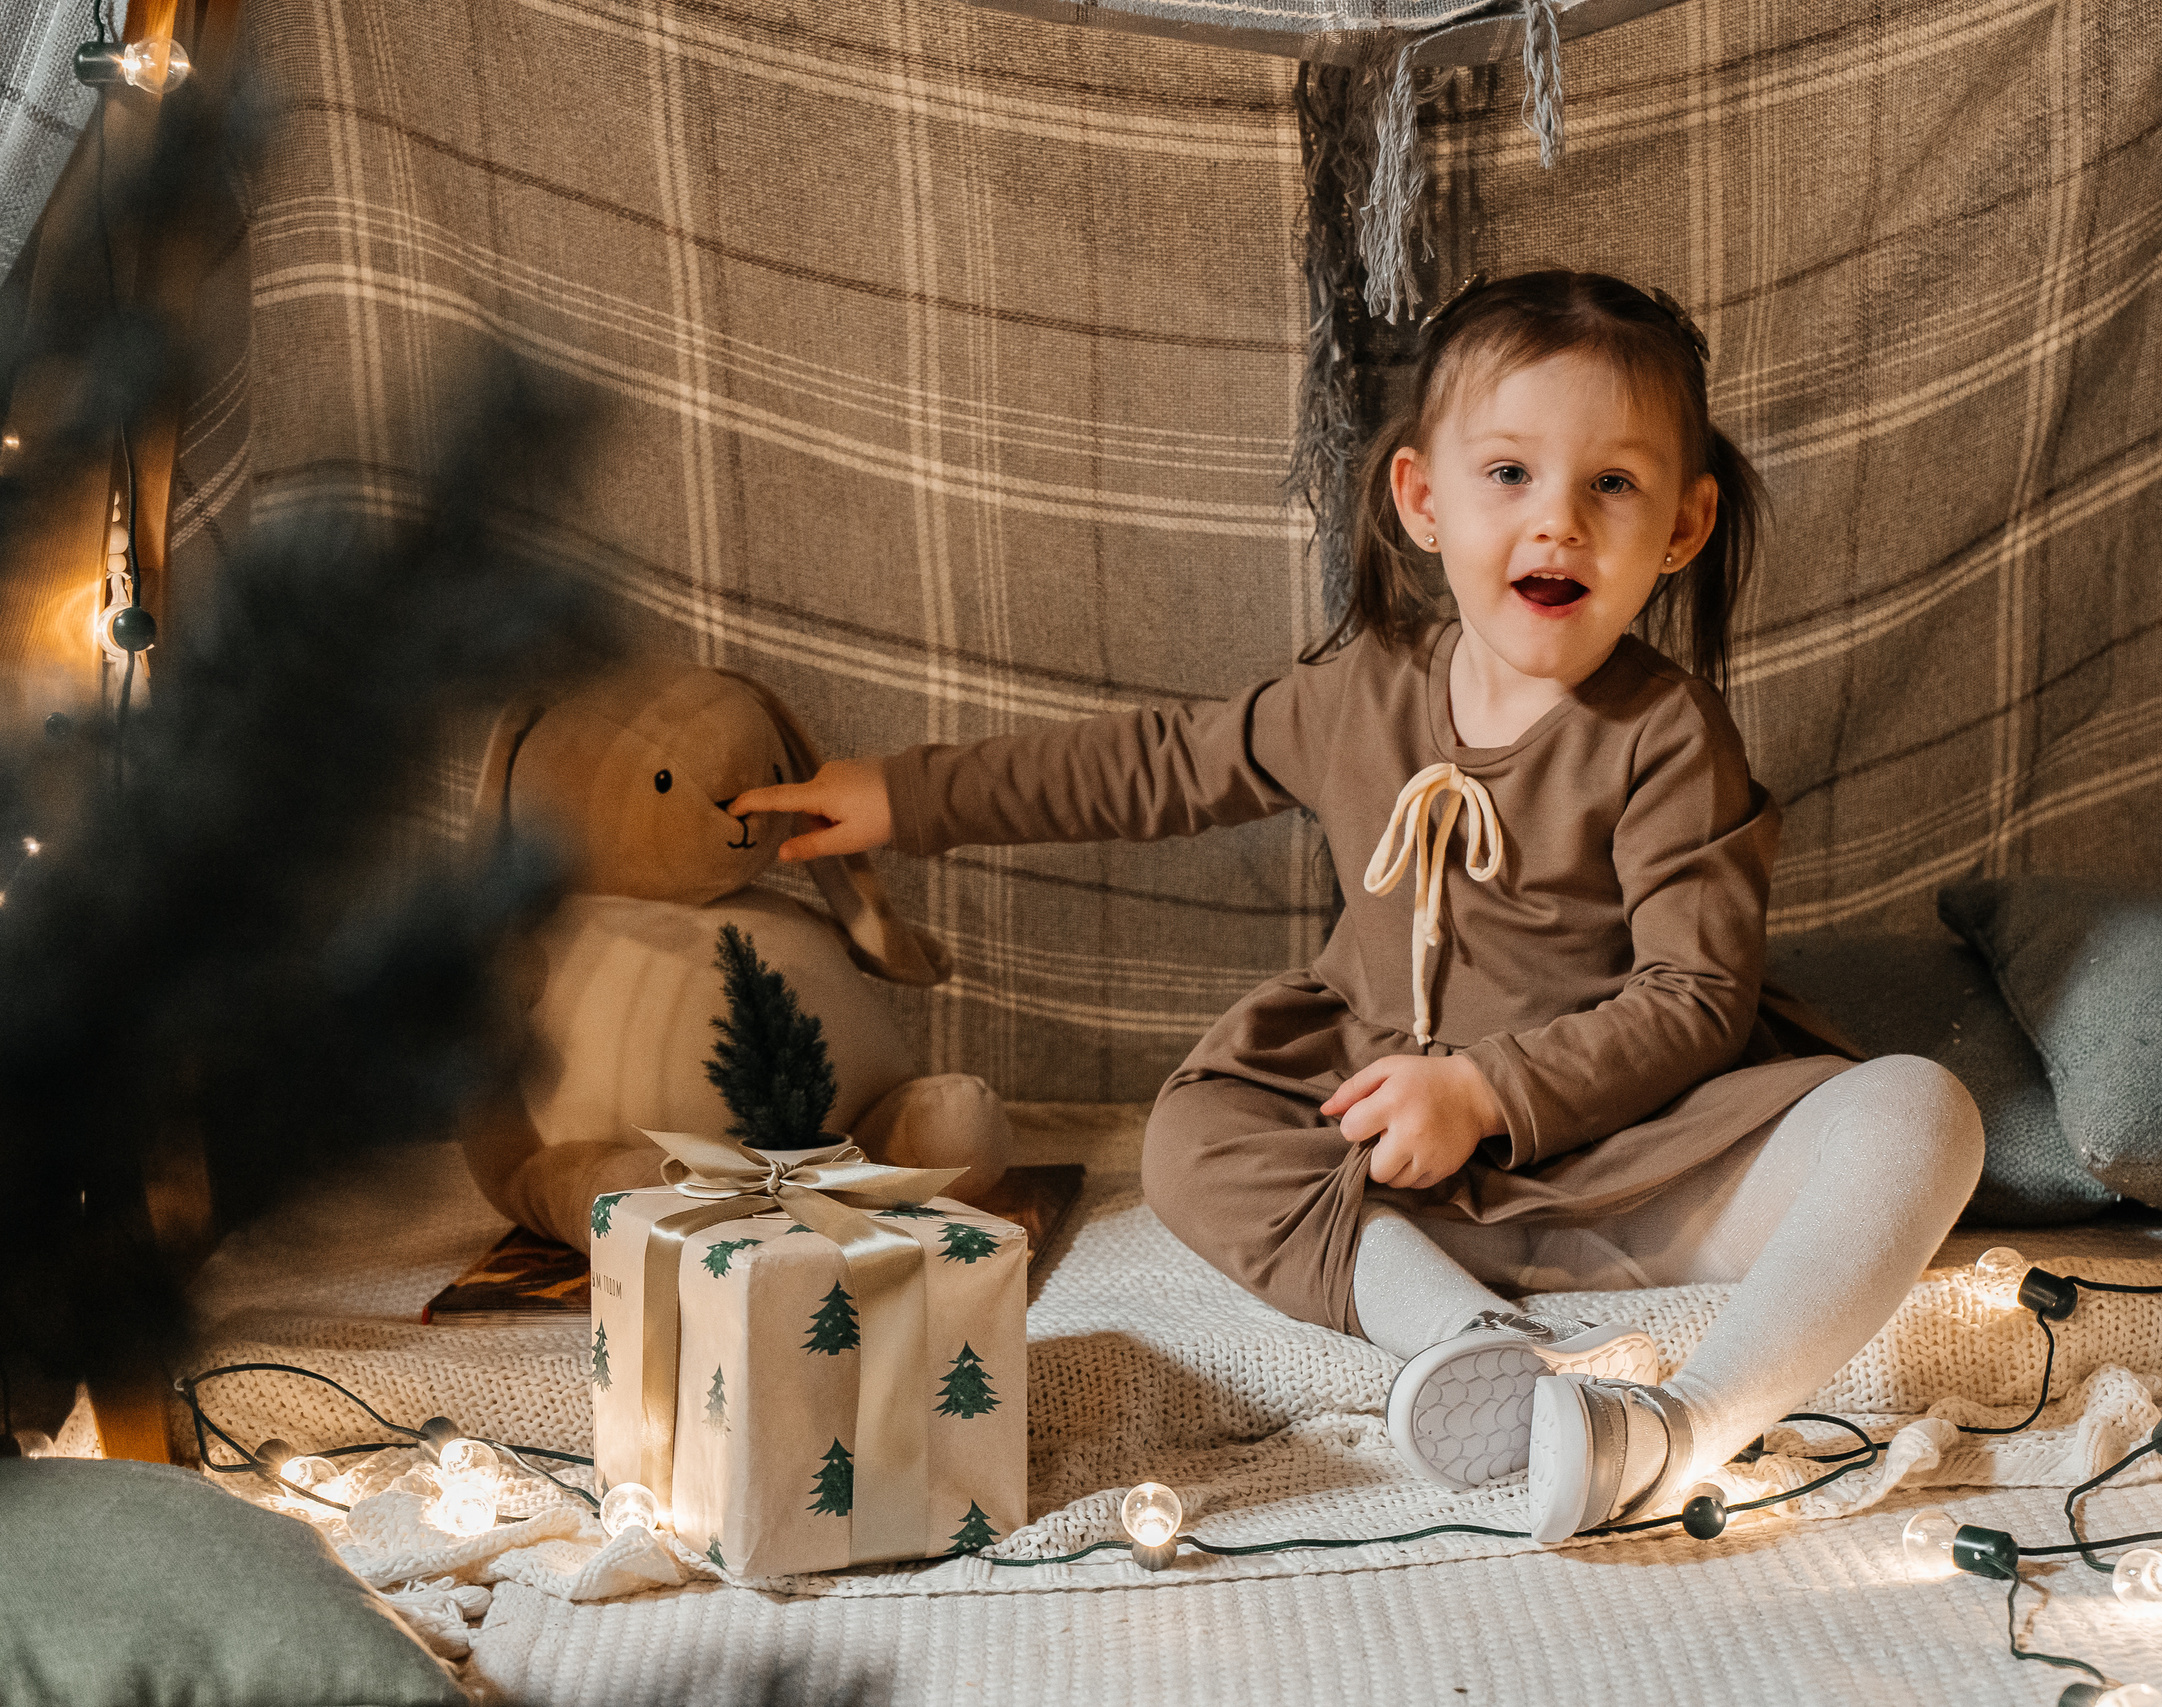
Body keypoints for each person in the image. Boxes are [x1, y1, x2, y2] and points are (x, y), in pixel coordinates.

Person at [730, 270, 1983, 1543]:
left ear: (1681, 523)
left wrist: (1488, 1091)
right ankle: (1464, 1338)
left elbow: (1697, 998)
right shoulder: (1361, 694)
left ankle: (1677, 1427)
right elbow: (1155, 764)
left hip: (1629, 1165)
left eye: (1611, 484)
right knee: (1188, 1139)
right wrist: (903, 797)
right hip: (1388, 1160)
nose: (1557, 523)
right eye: (1509, 475)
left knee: (1921, 1114)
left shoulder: (1664, 736)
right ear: (1422, 499)